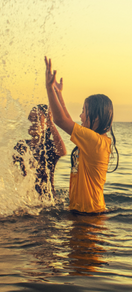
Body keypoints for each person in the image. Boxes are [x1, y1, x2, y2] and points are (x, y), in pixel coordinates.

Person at [44, 56, 119, 213]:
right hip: (84, 214)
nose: (80, 116)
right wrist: (59, 94)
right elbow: (68, 120)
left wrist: (49, 88)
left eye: (84, 111)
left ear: (96, 117)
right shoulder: (94, 140)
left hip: (89, 217)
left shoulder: (94, 142)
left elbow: (60, 120)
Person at [13, 104, 66, 197]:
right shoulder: (22, 145)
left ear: (47, 124)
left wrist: (51, 123)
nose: (32, 122)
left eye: (37, 118)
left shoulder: (49, 146)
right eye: (30, 119)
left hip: (46, 199)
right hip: (27, 197)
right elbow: (8, 166)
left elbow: (62, 152)